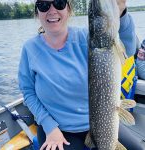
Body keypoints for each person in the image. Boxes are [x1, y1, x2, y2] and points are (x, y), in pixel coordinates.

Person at [18, 0, 144, 150]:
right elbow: (28, 92)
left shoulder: (87, 37)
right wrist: (49, 126)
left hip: (101, 120)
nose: (52, 10)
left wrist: (121, 12)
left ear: (69, 9)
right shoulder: (30, 49)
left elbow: (128, 49)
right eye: (44, 5)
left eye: (59, 3)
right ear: (37, 12)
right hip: (58, 129)